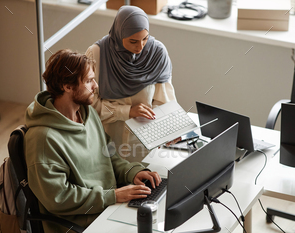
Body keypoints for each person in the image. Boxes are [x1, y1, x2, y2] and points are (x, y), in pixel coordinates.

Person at [24, 49, 161, 233]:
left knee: (159, 217)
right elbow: (58, 197)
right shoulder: (43, 139)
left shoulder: (87, 114)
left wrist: (131, 172)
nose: (95, 86)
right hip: (81, 224)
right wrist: (111, 196)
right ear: (67, 86)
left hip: (108, 206)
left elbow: (109, 155)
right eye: (89, 81)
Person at [86, 6, 179, 161]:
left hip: (144, 148)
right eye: (133, 41)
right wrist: (126, 111)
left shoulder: (157, 54)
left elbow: (164, 101)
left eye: (145, 38)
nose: (140, 46)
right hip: (106, 145)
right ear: (119, 33)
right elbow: (88, 106)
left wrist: (168, 130)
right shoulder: (97, 54)